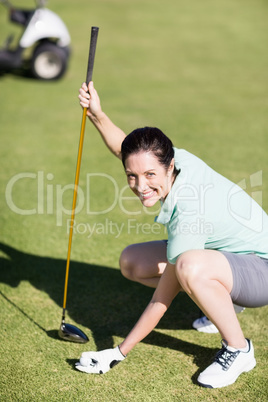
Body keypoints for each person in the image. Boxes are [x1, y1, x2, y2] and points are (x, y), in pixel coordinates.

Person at [75, 81, 268, 388]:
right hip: (230, 258)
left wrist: (119, 352)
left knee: (189, 267)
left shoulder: (188, 208)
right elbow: (126, 148)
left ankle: (239, 348)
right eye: (132, 176)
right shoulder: (170, 158)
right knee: (133, 262)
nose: (141, 186)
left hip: (261, 269)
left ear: (169, 166)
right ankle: (223, 300)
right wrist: (97, 115)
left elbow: (161, 298)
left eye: (150, 175)